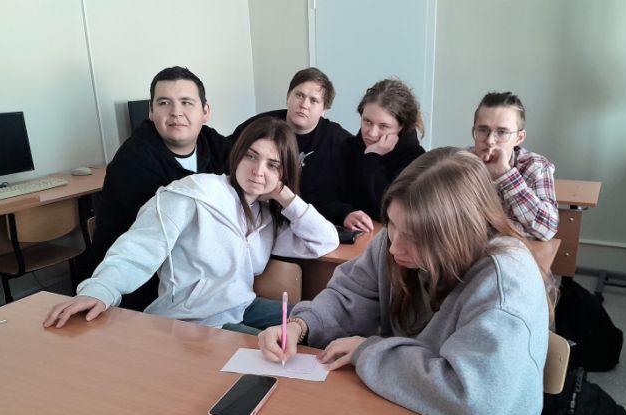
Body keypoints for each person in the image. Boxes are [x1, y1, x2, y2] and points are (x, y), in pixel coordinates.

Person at [258, 148, 551, 415]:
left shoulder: (504, 282)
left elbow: (476, 399)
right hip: (410, 401)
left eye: (412, 237)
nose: (394, 246)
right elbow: (350, 294)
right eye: (392, 224)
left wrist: (368, 351)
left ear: (456, 234)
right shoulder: (395, 241)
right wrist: (300, 325)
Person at [45, 118, 339, 334]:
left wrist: (284, 195)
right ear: (237, 154)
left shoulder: (264, 215)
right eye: (251, 156)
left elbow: (325, 241)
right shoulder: (194, 193)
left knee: (323, 322)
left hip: (242, 307)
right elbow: (139, 248)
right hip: (196, 322)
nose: (258, 171)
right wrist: (99, 290)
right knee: (282, 355)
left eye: (272, 165)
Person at [80, 66, 232, 311]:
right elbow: (182, 229)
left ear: (205, 112)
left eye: (186, 102)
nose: (176, 112)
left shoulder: (212, 142)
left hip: (193, 275)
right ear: (151, 112)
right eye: (164, 103)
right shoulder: (133, 159)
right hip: (134, 288)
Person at [314, 79, 425, 232]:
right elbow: (318, 198)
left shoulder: (416, 159)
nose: (372, 133)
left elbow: (389, 212)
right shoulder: (346, 148)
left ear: (402, 126)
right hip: (347, 240)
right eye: (367, 121)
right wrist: (344, 214)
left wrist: (372, 159)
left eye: (384, 126)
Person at [228, 67, 351, 203]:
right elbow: (225, 154)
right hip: (260, 206)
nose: (304, 105)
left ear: (324, 110)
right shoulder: (260, 125)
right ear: (288, 97)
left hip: (309, 209)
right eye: (299, 95)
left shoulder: (337, 138)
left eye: (313, 100)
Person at [471, 91, 558, 241]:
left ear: (519, 137)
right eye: (483, 130)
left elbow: (547, 230)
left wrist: (507, 175)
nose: (490, 140)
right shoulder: (462, 162)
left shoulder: (536, 166)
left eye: (502, 132)